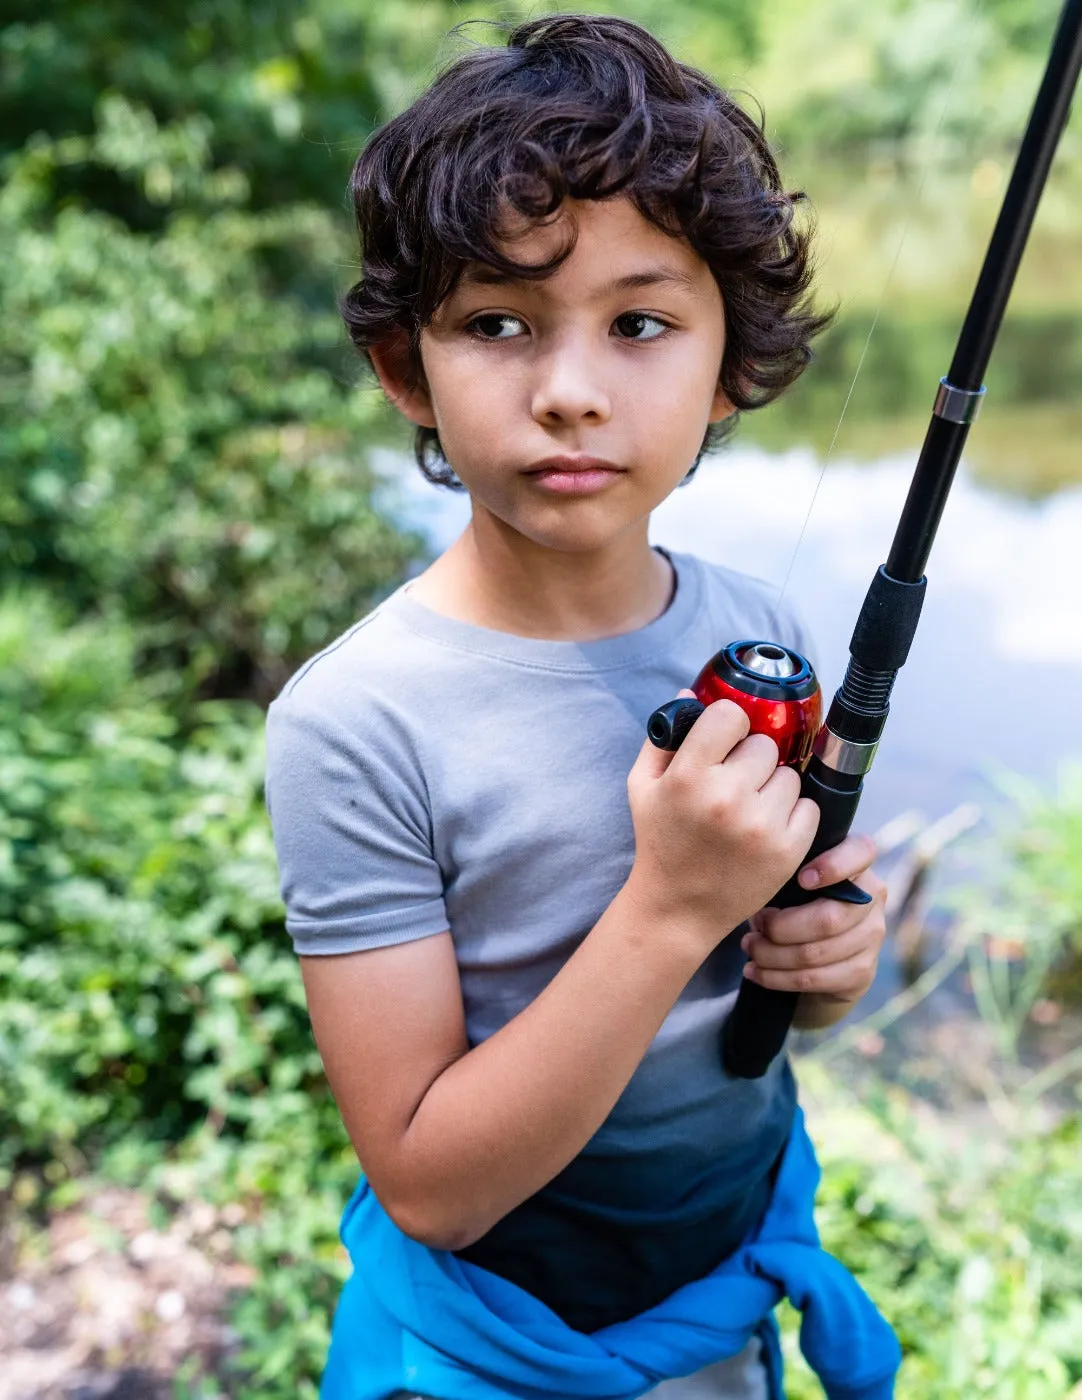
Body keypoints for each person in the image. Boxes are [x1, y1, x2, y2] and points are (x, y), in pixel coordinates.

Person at [264, 14, 898, 1400]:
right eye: (496, 323)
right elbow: (430, 1187)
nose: (567, 392)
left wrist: (821, 974)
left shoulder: (765, 641)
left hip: (716, 1303)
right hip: (490, 1348)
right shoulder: (354, 724)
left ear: (730, 360)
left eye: (639, 323)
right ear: (403, 371)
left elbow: (753, 1005)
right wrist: (669, 907)